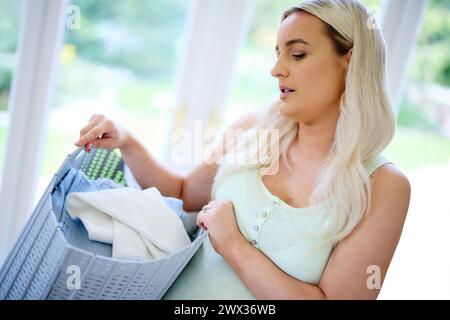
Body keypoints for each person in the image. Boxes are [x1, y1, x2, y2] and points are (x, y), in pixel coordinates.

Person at [74, 0, 410, 299]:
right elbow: (183, 193)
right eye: (277, 54)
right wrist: (127, 141)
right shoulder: (253, 129)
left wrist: (233, 244)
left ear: (349, 61)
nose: (277, 69)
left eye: (297, 54)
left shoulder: (384, 186)